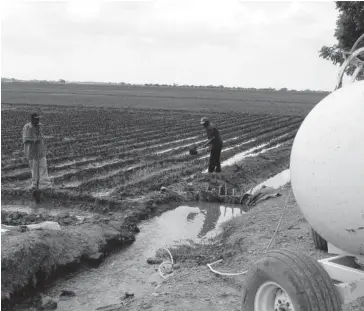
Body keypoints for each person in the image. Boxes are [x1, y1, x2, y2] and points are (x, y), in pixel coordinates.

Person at [22, 113, 52, 190]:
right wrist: (34, 140)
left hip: (41, 151)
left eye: (39, 118)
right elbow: (25, 140)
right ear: (32, 119)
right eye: (36, 119)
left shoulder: (39, 126)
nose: (38, 120)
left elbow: (41, 137)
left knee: (43, 167)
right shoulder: (27, 127)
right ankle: (34, 185)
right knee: (34, 170)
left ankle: (46, 185)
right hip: (32, 152)